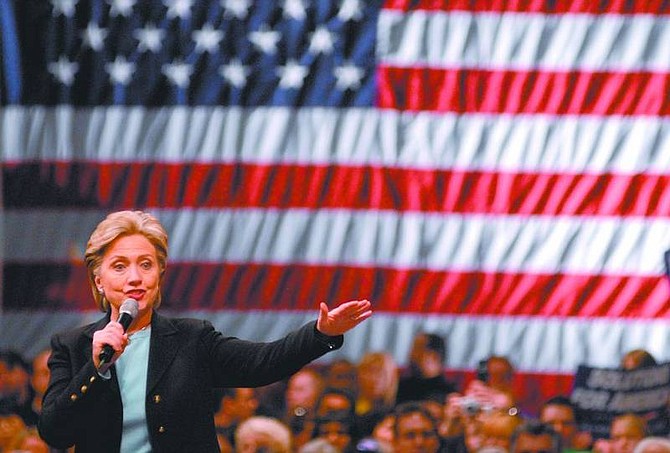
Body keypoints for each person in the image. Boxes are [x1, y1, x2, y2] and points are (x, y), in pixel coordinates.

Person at [37, 210, 372, 452]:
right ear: (99, 280)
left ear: (159, 274)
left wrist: (320, 332)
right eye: (120, 266)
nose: (135, 278)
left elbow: (264, 362)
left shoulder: (191, 339)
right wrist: (95, 370)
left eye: (146, 264)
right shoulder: (71, 345)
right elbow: (54, 433)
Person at [396, 332, 456, 405]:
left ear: (434, 356)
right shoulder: (400, 388)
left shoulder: (449, 395)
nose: (411, 354)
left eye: (418, 349)